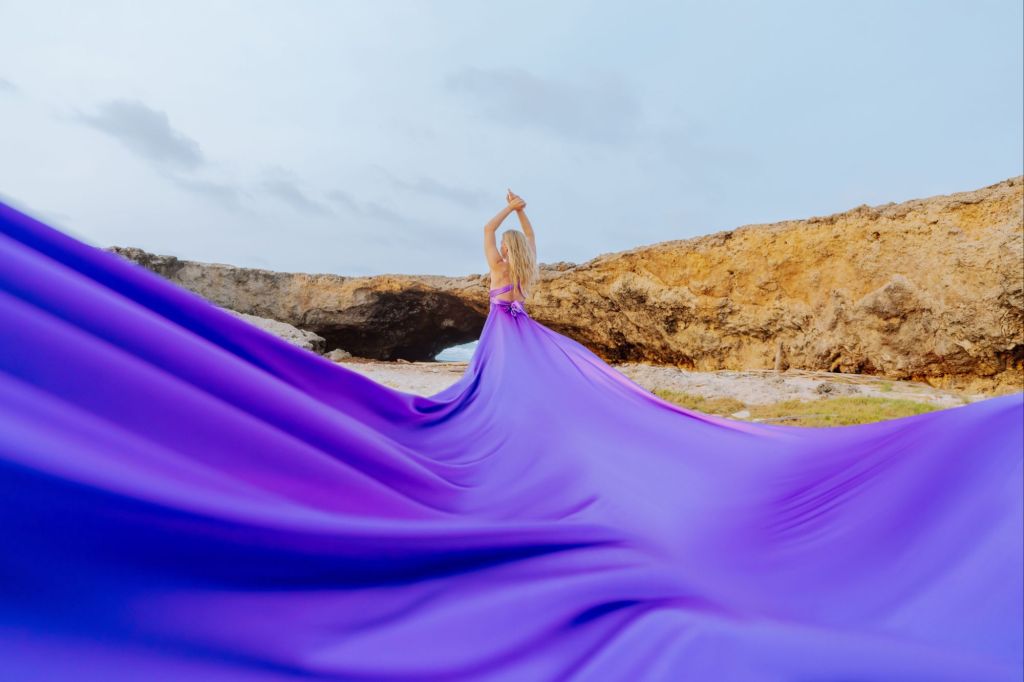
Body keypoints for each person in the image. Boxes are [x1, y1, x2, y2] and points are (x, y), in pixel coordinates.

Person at [0, 196, 1021, 682]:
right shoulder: (527, 269)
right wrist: (522, 251)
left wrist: (502, 220)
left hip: (505, 332)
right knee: (499, 403)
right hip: (519, 326)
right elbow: (519, 268)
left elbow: (494, 254)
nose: (500, 246)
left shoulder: (498, 259)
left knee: (488, 410)